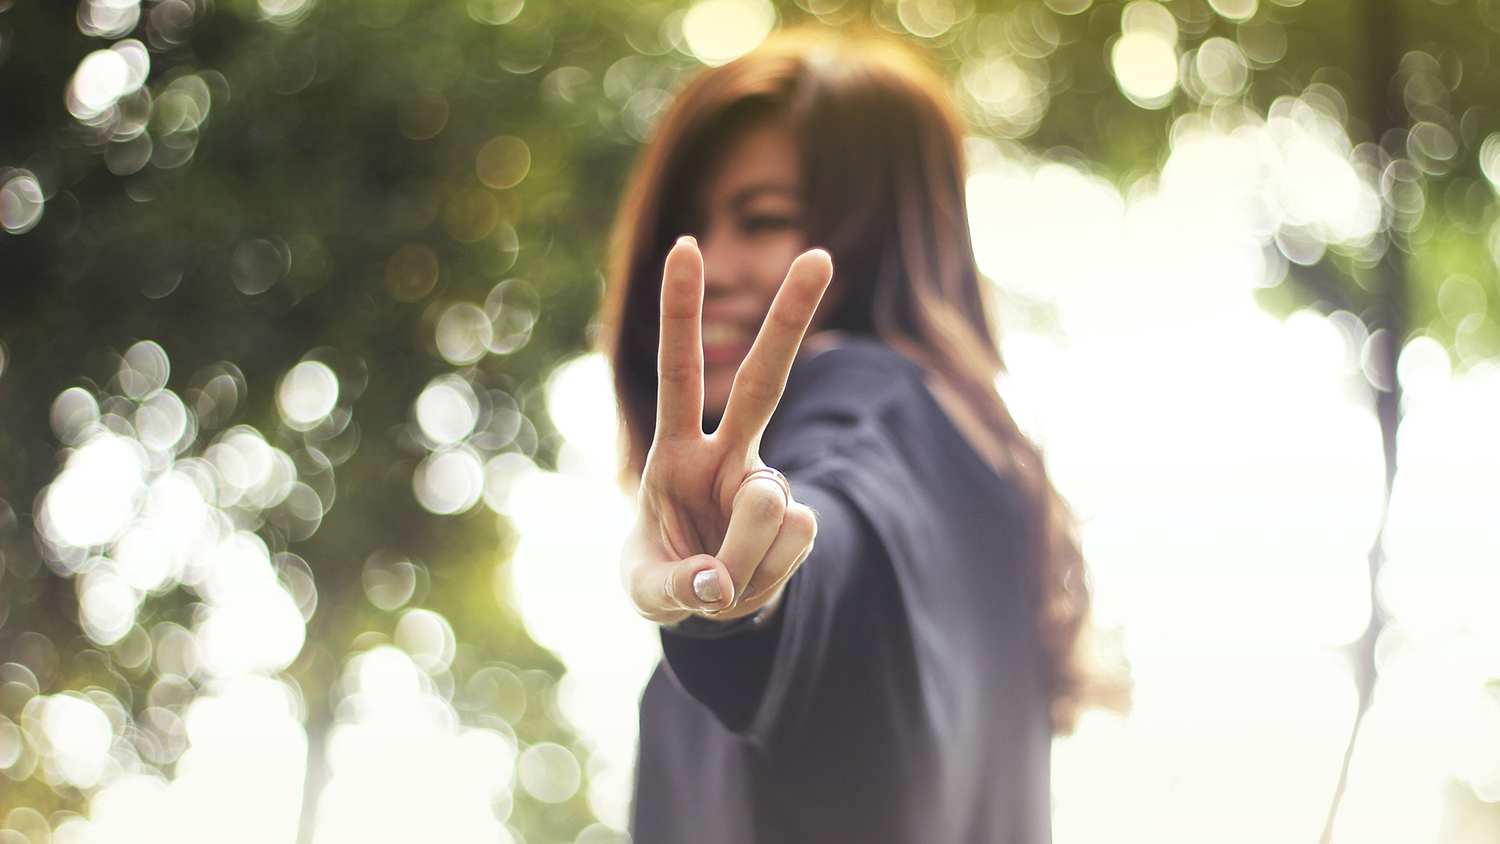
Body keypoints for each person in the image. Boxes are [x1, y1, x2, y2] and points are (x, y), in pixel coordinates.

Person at [602, 29, 1126, 844]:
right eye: (692, 226)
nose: (712, 264)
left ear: (878, 231)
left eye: (764, 218)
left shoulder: (865, 400)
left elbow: (841, 527)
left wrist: (755, 587)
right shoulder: (993, 480)